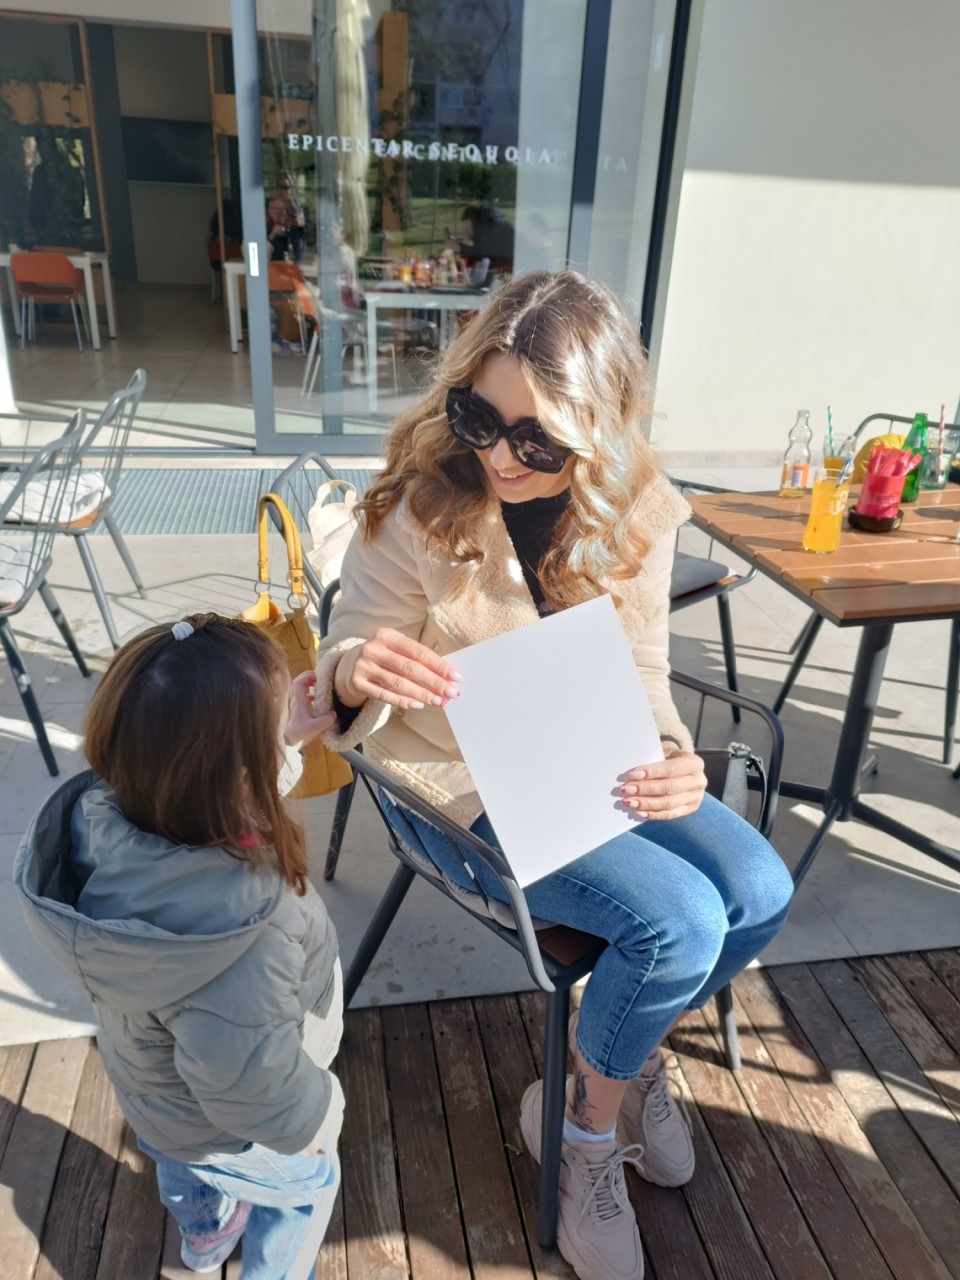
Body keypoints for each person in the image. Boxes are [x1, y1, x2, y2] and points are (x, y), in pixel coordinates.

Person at [314, 271, 794, 1280]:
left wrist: (672, 754)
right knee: (679, 922)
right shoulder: (419, 502)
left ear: (600, 432)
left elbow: (645, 667)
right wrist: (356, 669)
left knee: (759, 887)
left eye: (538, 443)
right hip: (457, 782)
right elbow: (348, 643)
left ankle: (612, 1064)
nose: (498, 457)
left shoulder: (638, 505)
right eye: (479, 418)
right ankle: (584, 1136)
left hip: (591, 750)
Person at [15, 615, 342, 1280]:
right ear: (238, 775)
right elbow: (250, 1086)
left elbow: (216, 801)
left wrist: (285, 741)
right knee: (306, 1190)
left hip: (156, 1096)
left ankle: (205, 1237)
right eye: (274, 728)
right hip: (240, 1126)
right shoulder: (244, 944)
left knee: (183, 1167)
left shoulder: (110, 818)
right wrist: (317, 1118)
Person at [266, 196, 291, 262]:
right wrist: (272, 235)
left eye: (282, 209)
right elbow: (260, 257)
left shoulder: (289, 230)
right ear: (269, 211)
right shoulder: (263, 230)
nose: (280, 212)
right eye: (276, 208)